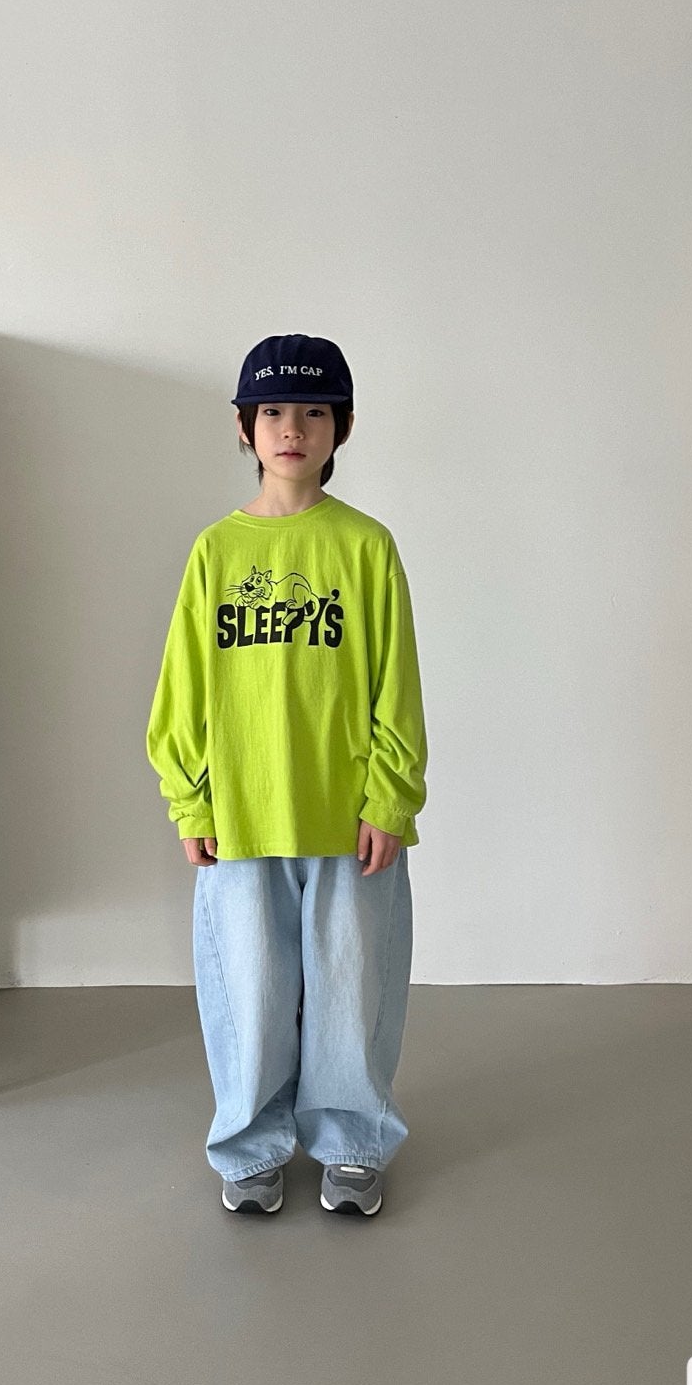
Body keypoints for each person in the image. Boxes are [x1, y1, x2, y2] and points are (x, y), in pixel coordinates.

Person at [145, 333, 428, 1219]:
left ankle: (351, 1140)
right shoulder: (216, 552)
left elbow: (396, 684)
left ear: (342, 427)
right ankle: (250, 1144)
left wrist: (390, 797)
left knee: (351, 987)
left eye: (313, 411)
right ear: (244, 427)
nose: (292, 428)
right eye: (272, 410)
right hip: (242, 815)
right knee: (251, 991)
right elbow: (181, 691)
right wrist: (190, 798)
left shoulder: (366, 547)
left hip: (347, 817)